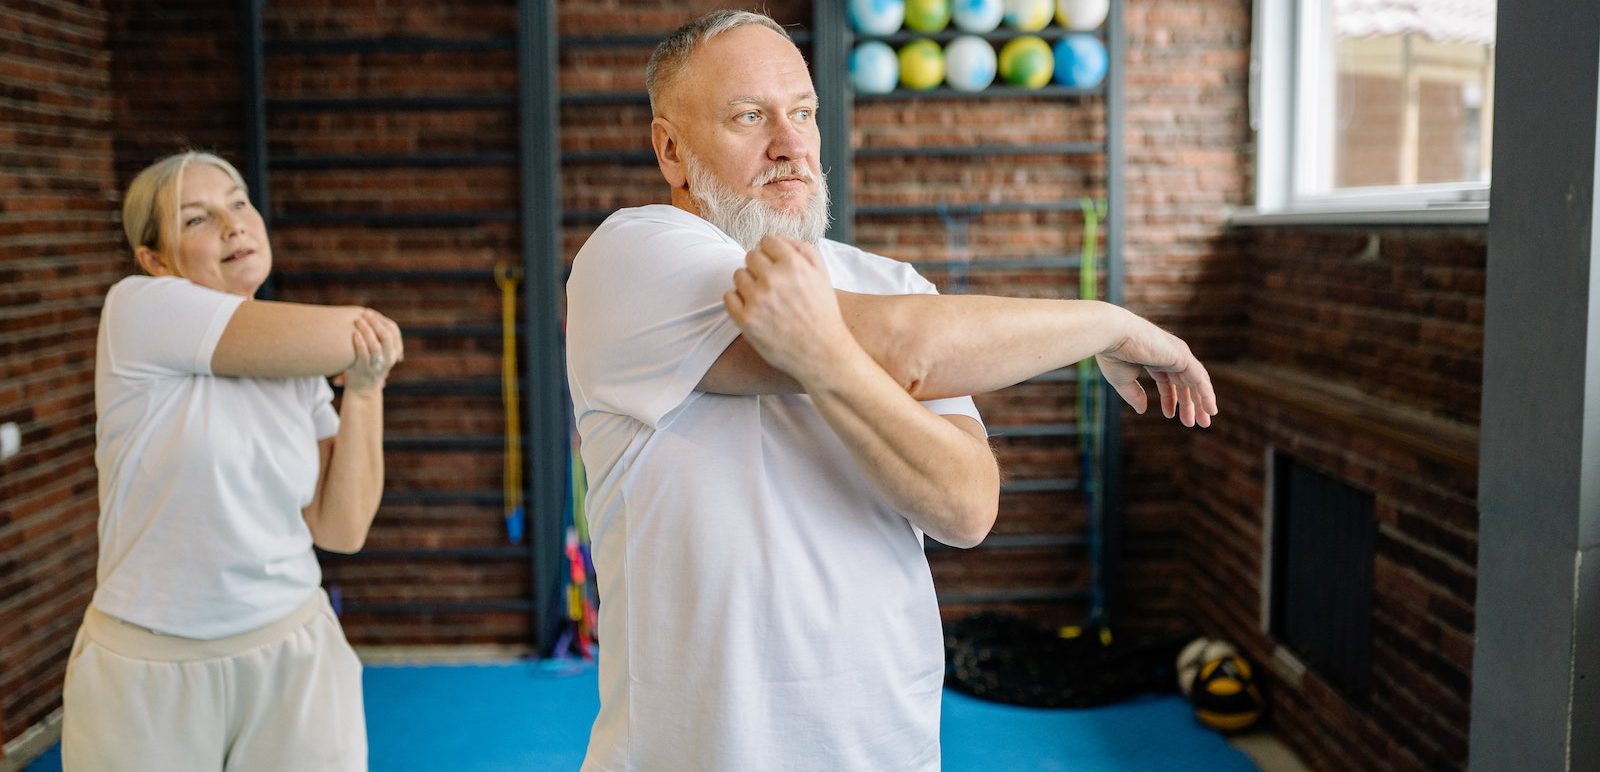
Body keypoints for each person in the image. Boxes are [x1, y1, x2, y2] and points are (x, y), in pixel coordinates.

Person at [564, 10, 1218, 771]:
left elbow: (966, 508)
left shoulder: (892, 284)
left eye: (802, 112)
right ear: (671, 149)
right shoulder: (635, 258)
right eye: (750, 116)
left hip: (882, 743)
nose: (791, 144)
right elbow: (908, 351)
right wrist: (1108, 324)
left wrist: (829, 363)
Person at [61, 151, 402, 772]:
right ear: (154, 259)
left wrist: (365, 388)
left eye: (239, 203)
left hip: (293, 653)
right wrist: (364, 345)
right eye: (196, 219)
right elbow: (360, 331)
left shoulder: (292, 364)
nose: (232, 223)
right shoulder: (136, 308)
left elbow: (341, 527)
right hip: (149, 670)